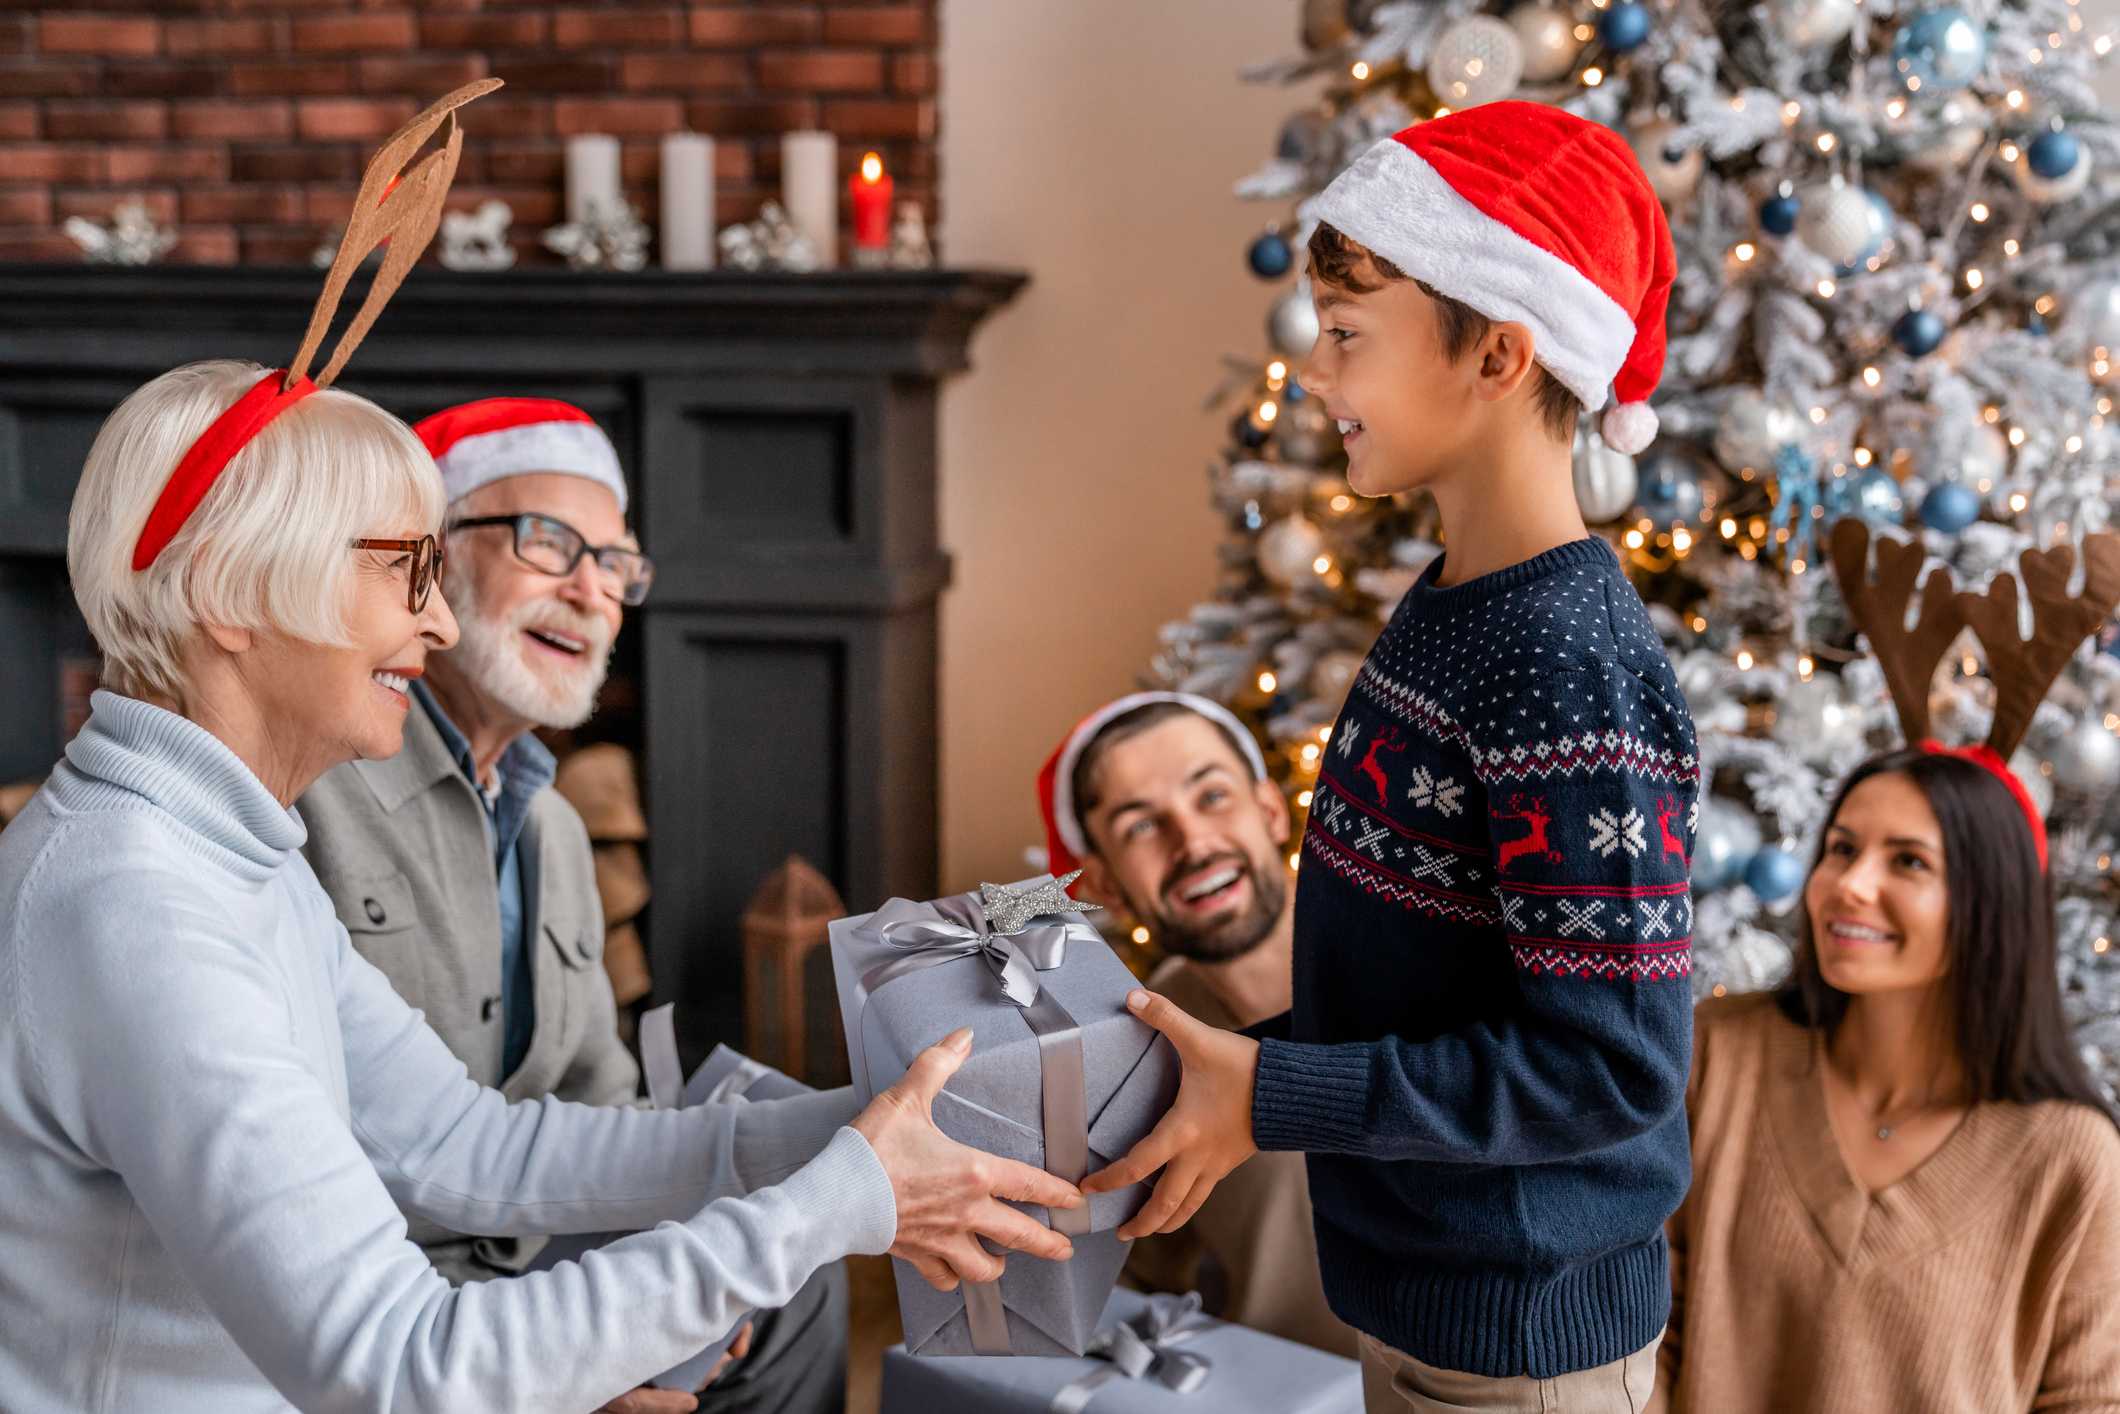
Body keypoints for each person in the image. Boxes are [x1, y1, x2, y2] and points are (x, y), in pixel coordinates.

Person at [0, 358, 1084, 1412]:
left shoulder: (231, 853)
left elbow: (465, 1144)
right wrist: (837, 1201)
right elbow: (405, 1366)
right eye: (399, 569)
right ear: (223, 590)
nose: (431, 623)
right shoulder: (140, 912)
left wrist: (855, 1133)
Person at [1083, 102, 1695, 1413]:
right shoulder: (1451, 604)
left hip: (1515, 1337)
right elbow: (1436, 987)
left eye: (1348, 336)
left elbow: (1608, 1066)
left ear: (1498, 355)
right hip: (1431, 1301)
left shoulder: (1566, 667)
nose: (1315, 374)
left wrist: (1278, 1088)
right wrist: (1245, 1076)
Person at [295, 397, 844, 1414]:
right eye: (550, 543)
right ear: (432, 560)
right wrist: (563, 1352)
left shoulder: (551, 828)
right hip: (382, 1292)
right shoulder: (312, 783)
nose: (592, 589)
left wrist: (676, 1265)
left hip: (537, 1252)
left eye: (617, 563)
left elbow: (595, 1091)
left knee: (793, 1284)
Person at [1659, 748, 2120, 1410]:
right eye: (1841, 849)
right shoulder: (1720, 1055)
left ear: (1993, 899)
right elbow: (1639, 1326)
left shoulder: (2073, 1158)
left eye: (1909, 861)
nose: (1847, 884)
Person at [1038, 691, 1356, 1356]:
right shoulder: (1137, 1054)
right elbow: (1126, 1272)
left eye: (1211, 797)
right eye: (1142, 827)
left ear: (1271, 810)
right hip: (1284, 1394)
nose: (1194, 842)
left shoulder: (1421, 960)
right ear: (1108, 887)